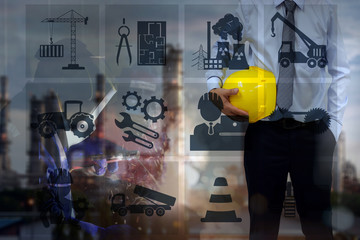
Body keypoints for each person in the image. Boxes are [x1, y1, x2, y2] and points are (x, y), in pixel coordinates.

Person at [207, 0, 350, 239]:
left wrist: (332, 129)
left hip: (313, 133)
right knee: (262, 228)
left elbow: (340, 71)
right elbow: (222, 42)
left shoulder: (325, 7)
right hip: (264, 133)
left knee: (319, 229)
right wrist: (213, 85)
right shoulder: (251, 6)